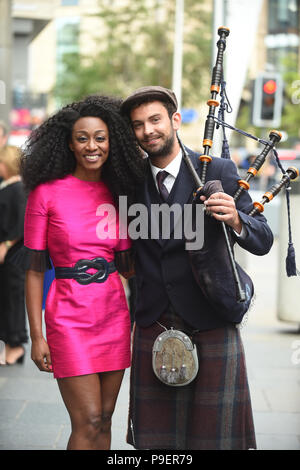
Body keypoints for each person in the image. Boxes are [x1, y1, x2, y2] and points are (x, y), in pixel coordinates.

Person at [120, 86, 274, 450]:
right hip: (153, 321)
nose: (148, 131)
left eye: (155, 120)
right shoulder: (129, 181)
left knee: (214, 441)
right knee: (157, 445)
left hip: (211, 318)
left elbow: (263, 239)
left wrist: (237, 219)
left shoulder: (217, 169)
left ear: (174, 120)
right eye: (138, 125)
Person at [15, 95, 145, 450]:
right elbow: (33, 271)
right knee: (86, 420)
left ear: (111, 142)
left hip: (113, 314)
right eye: (82, 138)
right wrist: (36, 335)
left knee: (104, 421)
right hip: (69, 318)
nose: (92, 146)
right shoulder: (45, 194)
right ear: (69, 143)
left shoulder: (119, 192)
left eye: (100, 138)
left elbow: (129, 266)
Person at [0, 145, 27, 365]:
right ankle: (10, 344)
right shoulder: (8, 187)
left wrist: (6, 244)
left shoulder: (18, 189)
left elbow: (20, 224)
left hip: (13, 256)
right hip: (7, 255)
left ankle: (15, 345)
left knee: (13, 300)